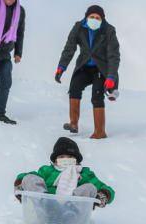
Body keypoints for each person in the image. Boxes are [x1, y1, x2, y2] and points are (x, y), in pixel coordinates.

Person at [55, 5, 120, 139]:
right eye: (92, 17)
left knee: (96, 95)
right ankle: (73, 123)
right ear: (87, 17)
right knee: (74, 88)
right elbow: (69, 48)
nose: (94, 19)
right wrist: (61, 67)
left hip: (101, 69)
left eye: (98, 18)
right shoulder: (79, 27)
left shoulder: (108, 31)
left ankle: (100, 132)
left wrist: (111, 76)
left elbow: (114, 55)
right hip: (84, 66)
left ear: (102, 19)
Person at [14, 137, 115, 208]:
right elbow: (30, 177)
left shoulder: (84, 174)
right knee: (29, 178)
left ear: (77, 160)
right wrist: (21, 182)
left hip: (74, 215)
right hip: (44, 211)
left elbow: (105, 188)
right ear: (55, 160)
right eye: (61, 157)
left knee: (90, 187)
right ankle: (44, 204)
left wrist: (103, 195)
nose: (66, 159)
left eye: (70, 157)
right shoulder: (47, 171)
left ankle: (70, 207)